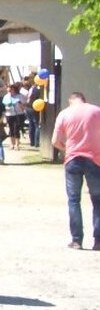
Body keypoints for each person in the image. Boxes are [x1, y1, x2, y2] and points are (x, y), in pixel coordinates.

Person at [51, 92, 100, 250]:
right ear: (84, 100)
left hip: (73, 159)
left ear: (71, 101)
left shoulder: (64, 114)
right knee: (98, 201)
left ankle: (77, 240)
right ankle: (98, 241)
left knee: (74, 200)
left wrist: (67, 149)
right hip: (95, 159)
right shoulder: (96, 111)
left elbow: (55, 141)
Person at [2, 83, 26, 151]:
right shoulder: (6, 96)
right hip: (9, 114)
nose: (10, 91)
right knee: (11, 129)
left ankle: (17, 144)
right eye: (9, 90)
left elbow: (23, 107)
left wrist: (20, 103)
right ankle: (11, 144)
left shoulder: (20, 96)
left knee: (17, 129)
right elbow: (4, 106)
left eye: (11, 90)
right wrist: (7, 106)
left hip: (18, 114)